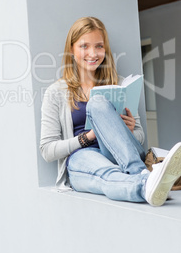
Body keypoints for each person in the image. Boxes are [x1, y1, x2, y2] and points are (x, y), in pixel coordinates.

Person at [40, 16, 181, 207]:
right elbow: (47, 150)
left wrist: (129, 130)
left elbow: (139, 137)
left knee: (98, 102)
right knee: (108, 176)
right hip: (83, 159)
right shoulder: (56, 92)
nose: (93, 53)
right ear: (71, 50)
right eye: (84, 46)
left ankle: (140, 174)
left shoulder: (121, 85)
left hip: (122, 155)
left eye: (99, 46)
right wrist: (87, 137)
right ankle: (146, 182)